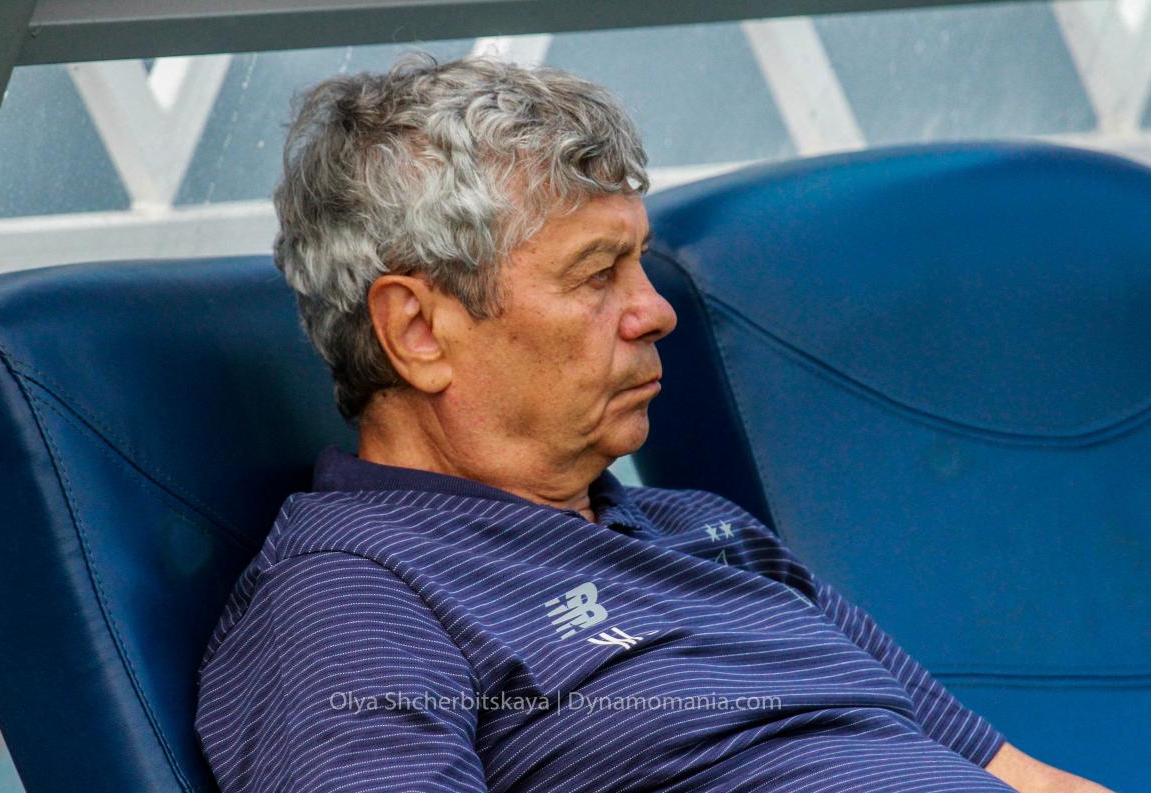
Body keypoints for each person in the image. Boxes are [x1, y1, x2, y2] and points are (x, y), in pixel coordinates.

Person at [194, 53, 1112, 792]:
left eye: (640, 264)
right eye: (598, 275)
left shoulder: (708, 533)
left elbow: (1022, 777)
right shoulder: (354, 597)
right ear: (418, 330)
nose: (656, 311)